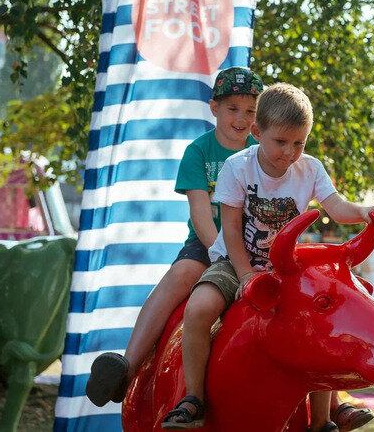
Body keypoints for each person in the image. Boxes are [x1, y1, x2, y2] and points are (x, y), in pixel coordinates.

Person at [161, 83, 374, 432]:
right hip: (238, 258)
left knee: (322, 316)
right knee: (199, 307)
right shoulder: (238, 167)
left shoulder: (310, 168)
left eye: (299, 143)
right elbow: (232, 231)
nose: (290, 152)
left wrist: (364, 211)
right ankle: (192, 398)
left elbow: (337, 206)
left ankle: (325, 415)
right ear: (257, 132)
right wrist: (246, 274)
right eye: (281, 142)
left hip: (286, 265)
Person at [85, 67, 262, 407]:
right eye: (232, 109)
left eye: (251, 111)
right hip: (209, 243)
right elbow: (200, 213)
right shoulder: (199, 151)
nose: (242, 119)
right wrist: (223, 256)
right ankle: (127, 366)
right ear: (214, 107)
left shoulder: (261, 152)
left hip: (256, 245)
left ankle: (329, 405)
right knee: (181, 275)